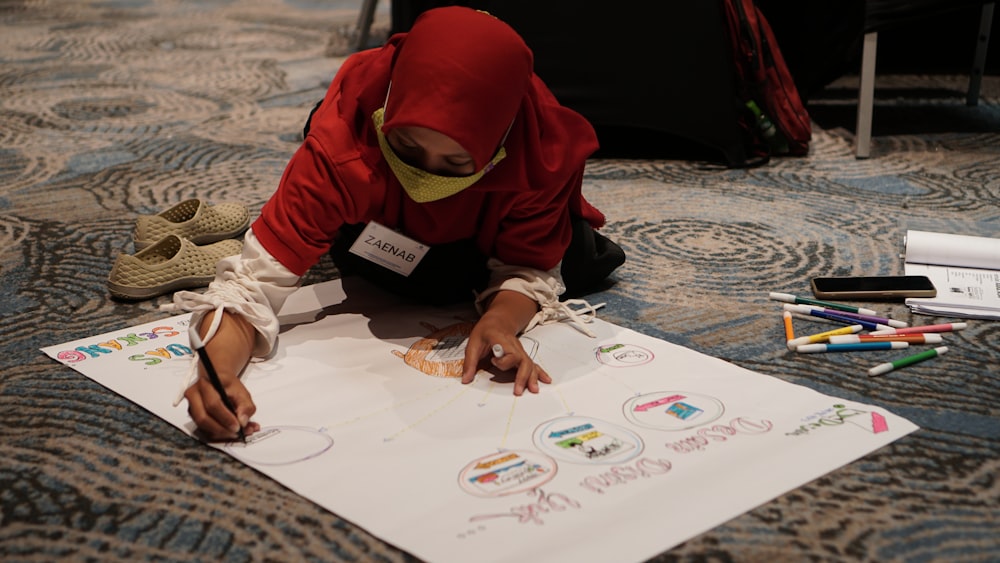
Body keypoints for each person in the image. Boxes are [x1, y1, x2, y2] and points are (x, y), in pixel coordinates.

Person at [169, 7, 625, 441]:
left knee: (580, 265)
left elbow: (525, 266)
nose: (423, 177)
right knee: (384, 271)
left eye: (455, 163)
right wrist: (218, 370)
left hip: (475, 245)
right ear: (386, 112)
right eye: (406, 147)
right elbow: (251, 289)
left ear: (499, 146)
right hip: (371, 234)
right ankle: (277, 227)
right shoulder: (344, 143)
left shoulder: (538, 155)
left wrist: (502, 321)